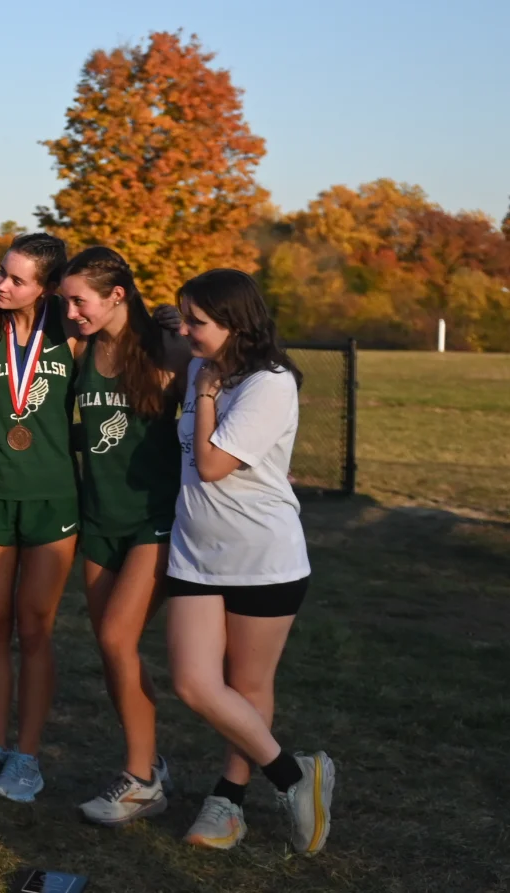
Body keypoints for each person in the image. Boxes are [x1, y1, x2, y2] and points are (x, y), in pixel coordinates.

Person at [169, 269, 333, 856]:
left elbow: (213, 465)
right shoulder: (199, 364)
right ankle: (294, 776)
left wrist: (209, 394)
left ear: (236, 323)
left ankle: (229, 801)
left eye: (197, 322)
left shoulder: (271, 383)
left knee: (246, 684)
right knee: (193, 682)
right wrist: (201, 373)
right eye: (184, 317)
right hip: (193, 551)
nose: (186, 330)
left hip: (262, 558)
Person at [60, 247, 187, 824]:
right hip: (99, 519)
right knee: (114, 653)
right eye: (66, 300)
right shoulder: (82, 347)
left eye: (79, 300)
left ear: (117, 295)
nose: (71, 310)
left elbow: (238, 376)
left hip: (153, 519)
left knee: (116, 638)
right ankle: (149, 765)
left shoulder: (168, 348)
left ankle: (139, 781)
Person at [0, 232, 75, 803]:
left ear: (47, 287)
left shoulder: (71, 332)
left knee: (34, 627)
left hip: (53, 501)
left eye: (17, 279)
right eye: (1, 273)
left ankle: (28, 758)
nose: (2, 285)